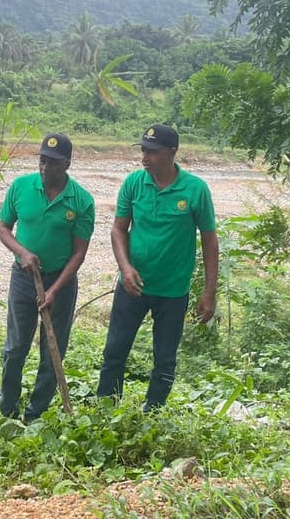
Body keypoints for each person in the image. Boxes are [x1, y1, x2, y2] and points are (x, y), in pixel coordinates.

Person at [96, 123, 219, 411]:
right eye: (143, 150)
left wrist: (209, 293)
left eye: (152, 152)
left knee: (164, 357)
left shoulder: (195, 190)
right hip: (132, 285)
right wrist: (125, 267)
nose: (145, 157)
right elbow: (118, 230)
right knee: (115, 351)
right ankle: (106, 409)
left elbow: (210, 242)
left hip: (173, 291)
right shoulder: (134, 184)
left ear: (171, 152)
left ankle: (153, 412)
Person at [0, 133, 95, 422]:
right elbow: (4, 229)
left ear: (66, 163)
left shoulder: (81, 200)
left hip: (60, 283)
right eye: (42, 161)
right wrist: (23, 253)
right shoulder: (20, 187)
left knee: (52, 350)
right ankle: (8, 409)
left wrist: (54, 290)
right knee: (15, 346)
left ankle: (35, 413)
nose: (45, 168)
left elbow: (79, 253)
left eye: (52, 163)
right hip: (23, 278)